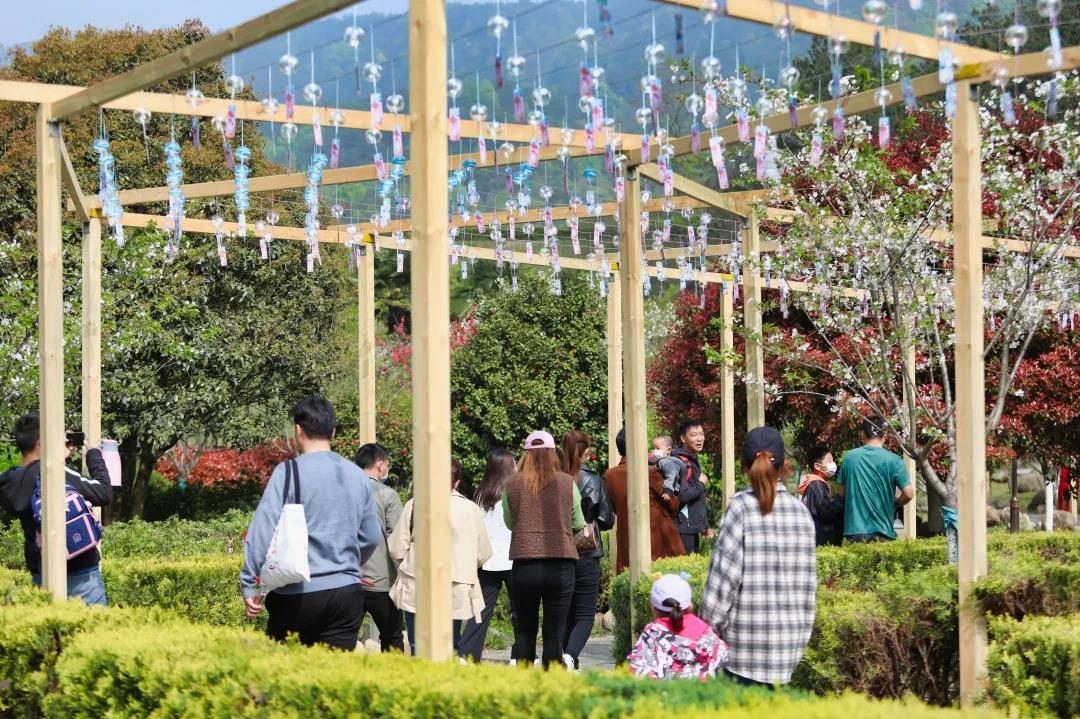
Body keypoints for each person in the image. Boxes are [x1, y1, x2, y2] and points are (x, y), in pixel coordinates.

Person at [240, 397, 381, 650]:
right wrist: (345, 562)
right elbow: (371, 536)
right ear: (333, 431)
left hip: (297, 595)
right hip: (346, 593)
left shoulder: (287, 473)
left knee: (288, 670)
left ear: (298, 430)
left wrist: (249, 582)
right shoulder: (357, 475)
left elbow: (262, 530)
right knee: (334, 671)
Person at [699, 426, 816, 687]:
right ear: (785, 466)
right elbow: (808, 588)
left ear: (744, 466)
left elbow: (723, 584)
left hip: (741, 652)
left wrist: (705, 629)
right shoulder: (801, 513)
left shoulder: (740, 508)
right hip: (787, 651)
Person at [0, 414, 113, 605]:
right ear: (41, 443)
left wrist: (56, 457)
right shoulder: (56, 473)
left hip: (42, 573)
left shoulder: (11, 481)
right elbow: (103, 492)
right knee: (92, 624)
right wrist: (93, 454)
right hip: (81, 575)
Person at [389, 459, 491, 655]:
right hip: (455, 585)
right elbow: (483, 552)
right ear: (457, 482)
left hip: (417, 582)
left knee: (419, 646)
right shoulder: (471, 509)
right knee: (450, 645)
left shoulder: (415, 504)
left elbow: (397, 548)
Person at [502, 430, 584, 669]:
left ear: (525, 454)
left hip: (525, 563)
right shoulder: (567, 482)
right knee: (554, 632)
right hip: (561, 564)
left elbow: (510, 523)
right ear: (552, 453)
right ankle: (551, 680)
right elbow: (578, 522)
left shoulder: (512, 484)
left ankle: (525, 678)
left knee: (524, 631)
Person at [560, 430, 615, 671]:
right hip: (586, 552)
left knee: (564, 611)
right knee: (584, 614)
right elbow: (606, 520)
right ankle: (570, 656)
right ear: (586, 452)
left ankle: (566, 659)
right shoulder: (593, 481)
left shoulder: (554, 479)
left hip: (559, 551)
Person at [458, 448, 518, 662]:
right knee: (520, 610)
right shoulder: (515, 492)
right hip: (513, 558)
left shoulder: (481, 494)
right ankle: (521, 654)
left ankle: (467, 653)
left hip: (488, 559)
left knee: (481, 611)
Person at [605, 429, 685, 577]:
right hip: (657, 539)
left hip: (626, 539)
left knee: (629, 582)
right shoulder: (650, 472)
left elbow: (615, 508)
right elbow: (672, 505)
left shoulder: (610, 475)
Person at [353, 443, 405, 653]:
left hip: (348, 578)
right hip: (381, 581)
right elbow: (397, 540)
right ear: (380, 465)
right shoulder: (388, 495)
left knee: (342, 638)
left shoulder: (343, 491)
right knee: (392, 637)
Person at [628, 574, 729, 680]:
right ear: (690, 606)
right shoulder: (713, 640)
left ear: (653, 609)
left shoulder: (650, 639)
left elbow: (638, 679)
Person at [838, 415, 914, 543]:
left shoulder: (849, 458)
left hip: (855, 531)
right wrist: (895, 504)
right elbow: (908, 493)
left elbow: (842, 493)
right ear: (884, 436)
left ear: (862, 434)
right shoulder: (895, 460)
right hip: (884, 531)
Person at [671, 420, 709, 554]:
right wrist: (701, 484)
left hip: (690, 526)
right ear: (683, 438)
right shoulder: (680, 462)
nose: (699, 438)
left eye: (701, 434)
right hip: (683, 527)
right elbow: (683, 495)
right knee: (685, 565)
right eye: (693, 435)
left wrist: (704, 525)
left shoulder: (692, 459)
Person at [798, 445, 845, 547]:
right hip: (820, 542)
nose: (833, 464)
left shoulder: (812, 484)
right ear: (817, 466)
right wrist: (842, 499)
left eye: (833, 461)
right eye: (829, 461)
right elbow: (825, 510)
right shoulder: (816, 485)